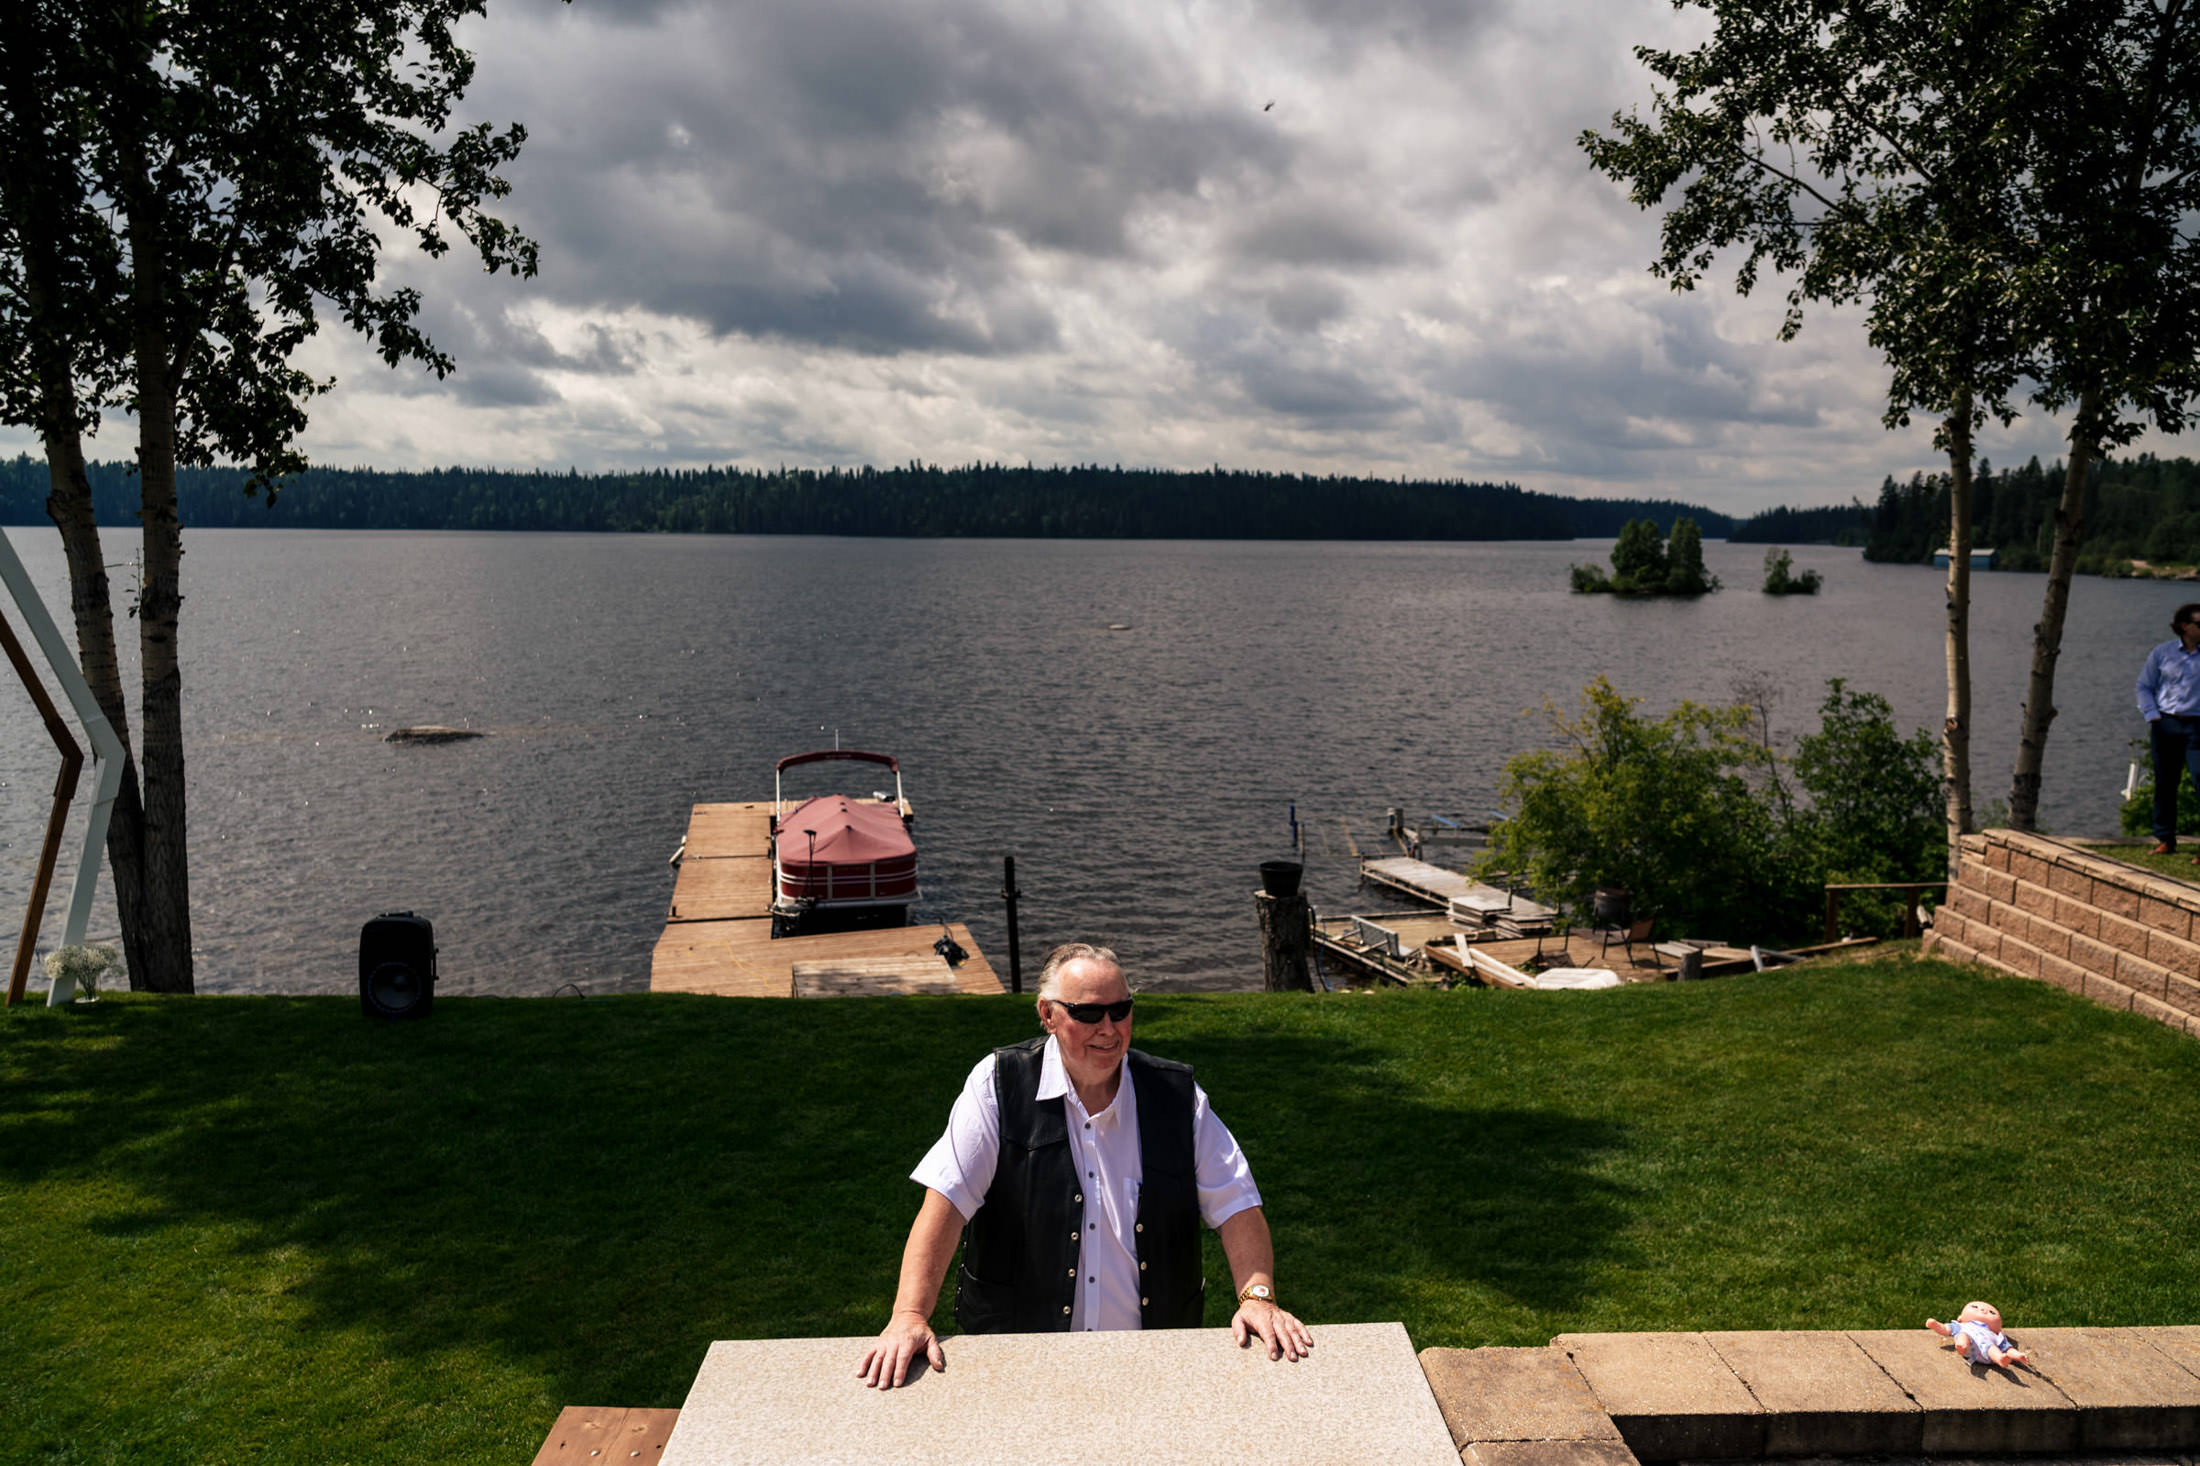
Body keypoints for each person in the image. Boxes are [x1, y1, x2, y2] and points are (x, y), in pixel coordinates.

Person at [857, 942, 1313, 1389]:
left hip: (1153, 1364)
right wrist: (909, 1316)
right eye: (1089, 1013)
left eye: (1122, 1010)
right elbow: (947, 1202)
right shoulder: (998, 1084)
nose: (1109, 1029)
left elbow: (1237, 1204)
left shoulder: (1177, 1097)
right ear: (1048, 1015)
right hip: (1017, 1362)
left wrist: (1258, 1298)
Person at [2136, 602, 2200, 858]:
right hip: (2166, 724)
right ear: (2185, 626)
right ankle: (2165, 840)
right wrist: (2153, 716)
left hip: (2198, 726)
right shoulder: (2162, 653)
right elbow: (2144, 686)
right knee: (2165, 783)